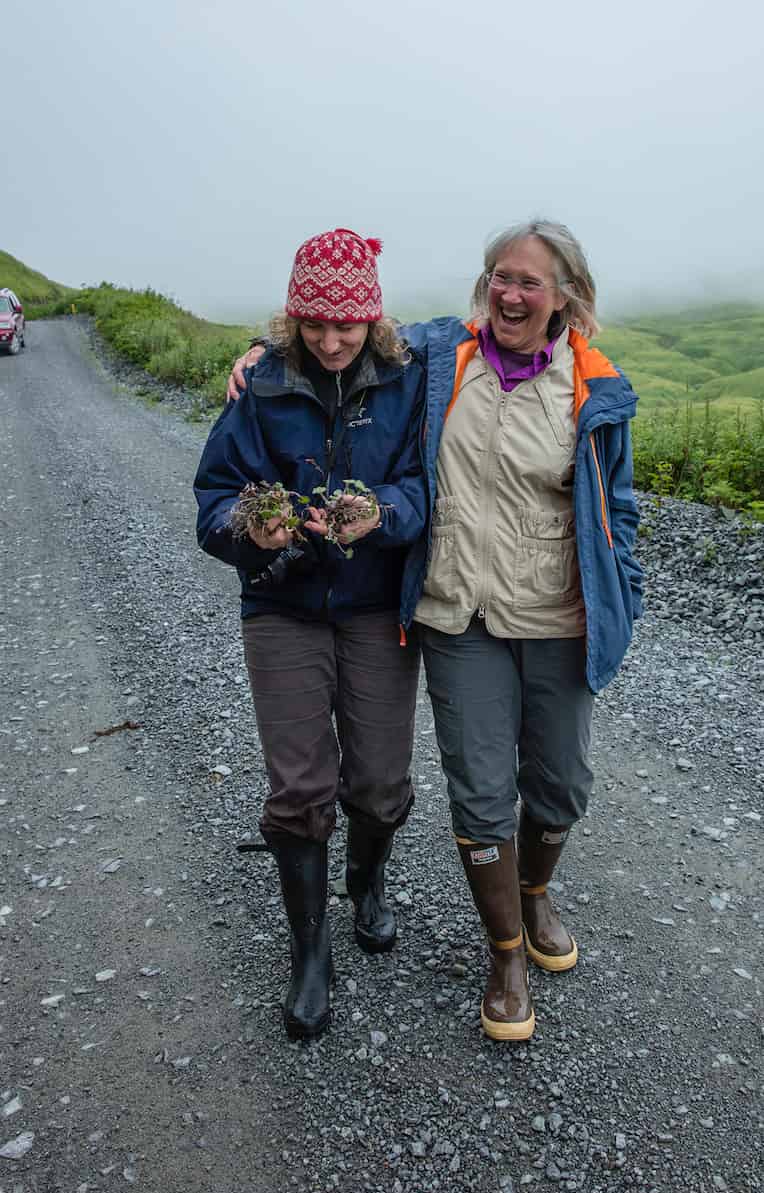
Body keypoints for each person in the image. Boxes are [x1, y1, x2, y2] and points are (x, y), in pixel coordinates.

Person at [230, 219, 642, 1043]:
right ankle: (505, 955)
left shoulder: (597, 386)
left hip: (557, 615)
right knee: (481, 791)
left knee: (560, 783)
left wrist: (621, 598)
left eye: (529, 281)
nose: (510, 293)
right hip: (458, 611)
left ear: (566, 296)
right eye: (499, 276)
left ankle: (534, 894)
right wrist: (255, 350)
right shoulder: (438, 358)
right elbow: (337, 327)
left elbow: (617, 510)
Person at [195, 228, 427, 1040]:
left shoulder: (407, 378)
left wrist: (382, 514)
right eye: (315, 325)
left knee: (378, 781)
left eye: (349, 325)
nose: (333, 342)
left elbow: (421, 486)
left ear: (374, 318)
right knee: (298, 787)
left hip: (373, 604)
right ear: (293, 319)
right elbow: (215, 496)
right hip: (282, 608)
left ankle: (366, 881)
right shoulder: (260, 383)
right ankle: (311, 953)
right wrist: (248, 530)